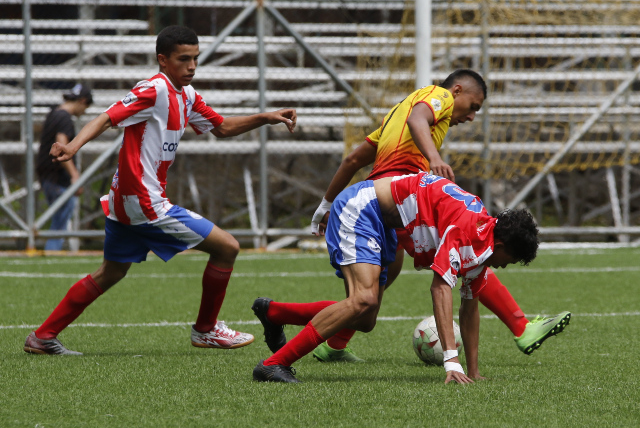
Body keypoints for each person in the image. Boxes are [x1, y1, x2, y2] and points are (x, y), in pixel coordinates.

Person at [23, 25, 297, 355]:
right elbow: (107, 118)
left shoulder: (188, 95)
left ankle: (42, 337)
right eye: (184, 59)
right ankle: (206, 330)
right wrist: (74, 147)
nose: (192, 66)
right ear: (163, 60)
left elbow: (222, 127)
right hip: (143, 202)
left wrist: (266, 117)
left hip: (124, 201)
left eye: (196, 59)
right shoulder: (153, 90)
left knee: (110, 272)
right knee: (227, 247)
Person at [296, 69, 569, 362]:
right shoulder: (438, 96)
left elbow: (353, 159)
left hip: (384, 200)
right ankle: (520, 326)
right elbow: (418, 119)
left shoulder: (394, 118)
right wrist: (435, 159)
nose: (472, 116)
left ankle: (323, 336)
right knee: (473, 252)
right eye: (473, 106)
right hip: (399, 201)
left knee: (369, 301)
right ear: (458, 91)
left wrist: (325, 203)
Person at [253, 172, 560, 383]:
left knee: (365, 318)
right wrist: (451, 361)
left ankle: (274, 312)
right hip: (363, 208)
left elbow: (470, 308)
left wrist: (473, 370)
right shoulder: (467, 230)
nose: (505, 267)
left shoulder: (485, 240)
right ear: (502, 246)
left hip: (386, 225)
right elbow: (441, 288)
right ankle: (273, 365)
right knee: (363, 299)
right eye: (510, 260)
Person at [36, 84, 93, 251]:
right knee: (62, 216)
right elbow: (62, 146)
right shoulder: (64, 118)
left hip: (47, 175)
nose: (84, 111)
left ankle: (52, 249)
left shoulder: (54, 113)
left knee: (60, 216)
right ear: (82, 101)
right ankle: (52, 250)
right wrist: (75, 176)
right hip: (56, 177)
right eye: (86, 106)